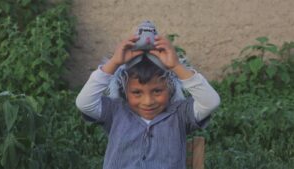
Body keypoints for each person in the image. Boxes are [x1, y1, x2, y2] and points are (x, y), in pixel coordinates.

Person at [76, 35, 220, 169]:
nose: (148, 101)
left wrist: (176, 66)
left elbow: (210, 102)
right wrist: (114, 63)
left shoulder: (180, 114)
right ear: (124, 91)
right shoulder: (115, 111)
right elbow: (84, 103)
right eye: (137, 92)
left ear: (170, 89)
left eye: (157, 91)